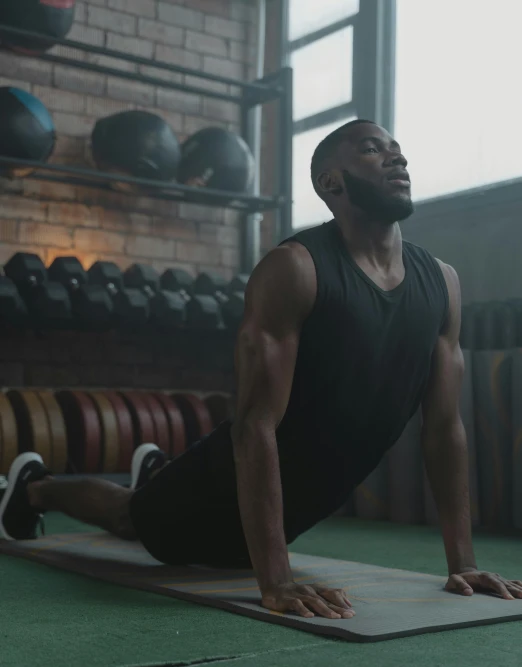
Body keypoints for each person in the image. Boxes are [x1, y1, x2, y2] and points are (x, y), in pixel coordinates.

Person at [1, 120, 521, 620]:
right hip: (228, 480)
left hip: (295, 506)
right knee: (131, 518)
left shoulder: (443, 284)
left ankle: (155, 475)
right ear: (330, 182)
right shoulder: (295, 268)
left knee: (199, 545)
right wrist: (274, 580)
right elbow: (255, 424)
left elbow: (444, 429)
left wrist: (464, 564)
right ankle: (35, 486)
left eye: (397, 147)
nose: (396, 156)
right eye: (370, 148)